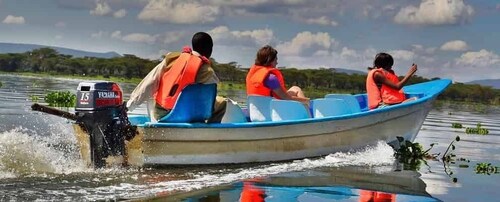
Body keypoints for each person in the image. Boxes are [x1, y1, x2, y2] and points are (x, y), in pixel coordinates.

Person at [126, 32, 226, 123]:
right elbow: (210, 99)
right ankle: (208, 132)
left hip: (163, 115)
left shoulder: (171, 59)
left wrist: (129, 106)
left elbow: (149, 83)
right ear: (210, 49)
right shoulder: (208, 71)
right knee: (221, 102)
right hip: (194, 116)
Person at [246, 45, 310, 106]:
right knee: (305, 101)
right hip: (269, 112)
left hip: (255, 111)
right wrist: (307, 101)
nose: (277, 62)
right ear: (270, 60)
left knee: (295, 88)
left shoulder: (252, 75)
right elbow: (286, 98)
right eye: (276, 59)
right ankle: (308, 112)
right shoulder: (271, 78)